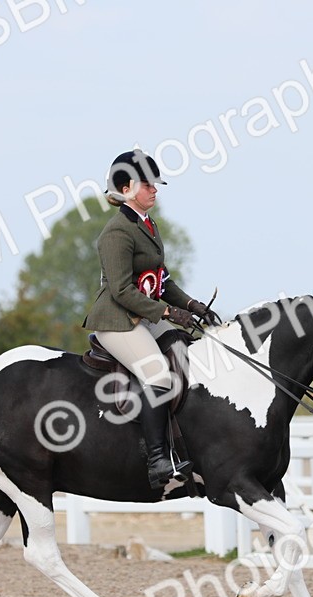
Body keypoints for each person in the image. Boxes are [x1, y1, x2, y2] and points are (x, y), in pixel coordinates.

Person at [82, 149, 221, 489]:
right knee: (158, 374)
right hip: (118, 320)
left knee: (184, 349)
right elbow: (121, 291)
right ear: (126, 189)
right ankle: (158, 460)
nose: (154, 190)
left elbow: (161, 281)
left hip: (142, 315)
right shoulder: (116, 233)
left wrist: (192, 305)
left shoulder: (147, 224)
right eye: (147, 185)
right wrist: (169, 312)